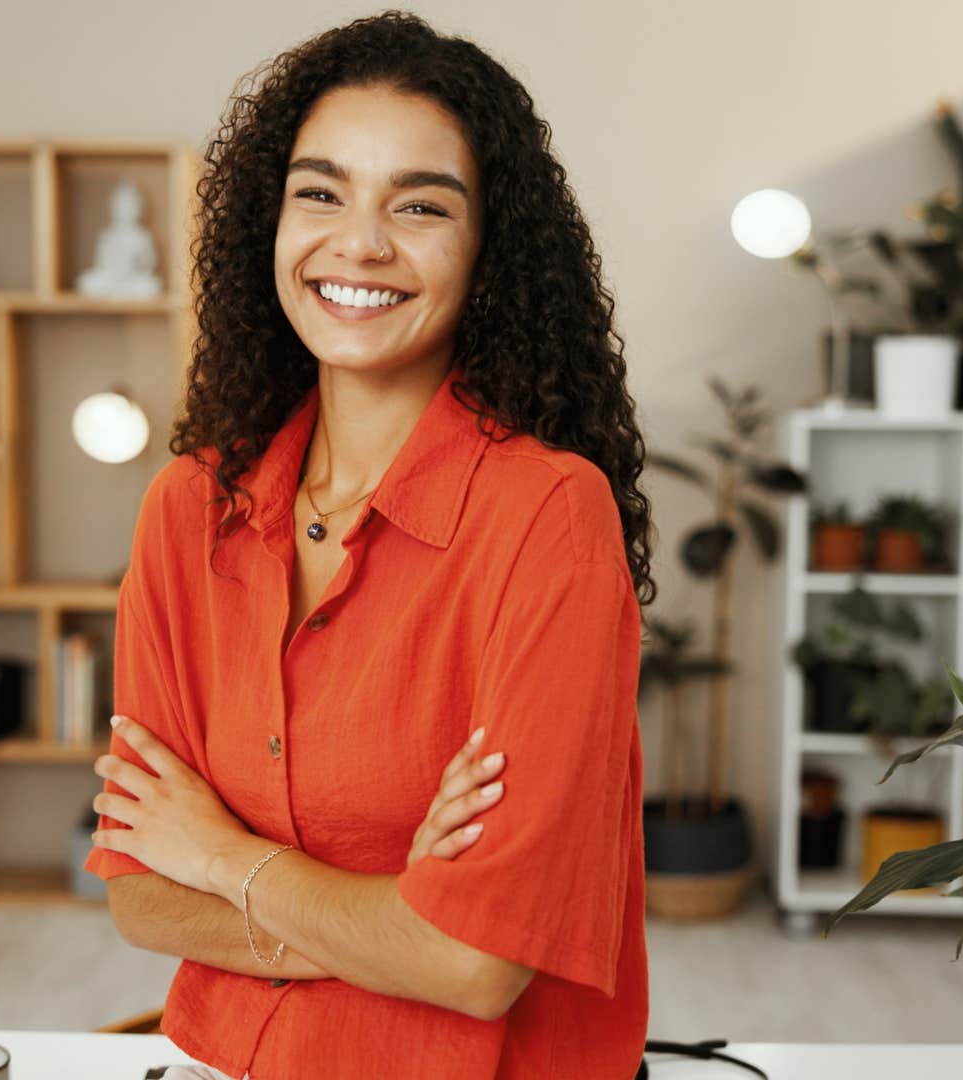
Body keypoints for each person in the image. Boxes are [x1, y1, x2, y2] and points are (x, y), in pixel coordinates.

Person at [82, 11, 656, 1078]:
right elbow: (142, 899)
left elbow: (476, 965)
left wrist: (221, 856)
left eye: (420, 205)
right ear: (270, 219)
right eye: (320, 192)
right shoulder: (187, 508)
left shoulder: (548, 515)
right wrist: (396, 921)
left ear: (488, 251)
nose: (360, 243)